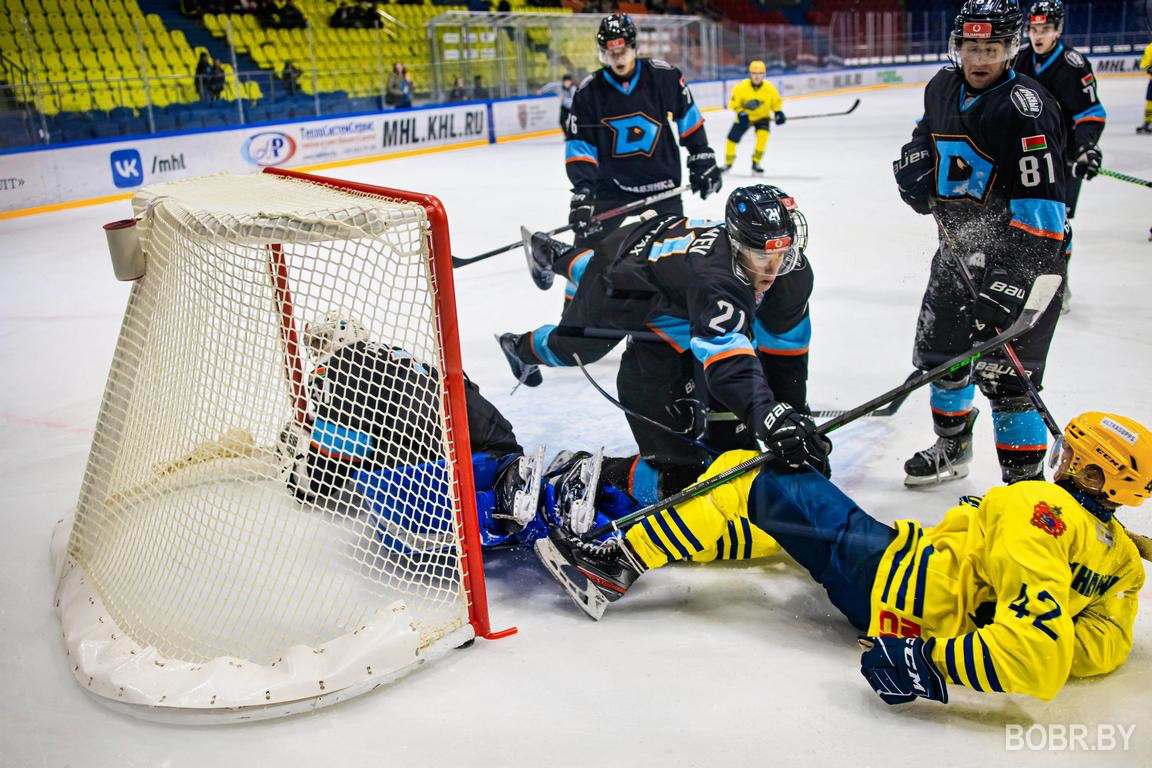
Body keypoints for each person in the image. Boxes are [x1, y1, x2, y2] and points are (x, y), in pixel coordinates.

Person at [536, 410, 1152, 705]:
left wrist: (928, 659)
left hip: (895, 581)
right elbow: (1094, 649)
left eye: (1076, 457)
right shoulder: (1123, 561)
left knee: (753, 473)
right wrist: (977, 616)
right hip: (916, 595)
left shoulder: (1038, 506)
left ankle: (614, 563)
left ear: (1099, 476)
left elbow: (1036, 657)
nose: (1061, 459)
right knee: (780, 524)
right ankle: (688, 540)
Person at [499, 185, 828, 501]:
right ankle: (521, 347)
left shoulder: (792, 272)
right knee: (574, 347)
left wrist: (792, 414)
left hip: (663, 258)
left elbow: (785, 347)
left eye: (781, 255)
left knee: (615, 265)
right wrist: (768, 416)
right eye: (761, 258)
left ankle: (558, 254)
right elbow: (729, 362)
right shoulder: (715, 279)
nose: (773, 270)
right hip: (630, 286)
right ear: (739, 245)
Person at [892, 0, 1067, 487]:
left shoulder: (1026, 109)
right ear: (958, 46)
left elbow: (1046, 215)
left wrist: (1010, 283)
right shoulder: (941, 86)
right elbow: (924, 138)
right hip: (957, 249)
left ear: (1011, 48)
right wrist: (915, 168)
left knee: (1007, 377)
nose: (980, 59)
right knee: (942, 359)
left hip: (1027, 259)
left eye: (992, 48)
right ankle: (952, 448)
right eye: (972, 47)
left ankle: (1024, 484)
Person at [279, 314, 548, 551]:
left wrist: (298, 477)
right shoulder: (398, 357)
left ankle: (488, 506)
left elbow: (334, 461)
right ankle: (518, 494)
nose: (316, 352)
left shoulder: (336, 368)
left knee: (370, 465)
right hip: (500, 446)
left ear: (340, 337)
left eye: (320, 341)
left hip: (441, 475)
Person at [562, 13, 722, 249]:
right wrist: (583, 192)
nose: (617, 59)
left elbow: (688, 117)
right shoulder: (589, 92)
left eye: (622, 51)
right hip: (612, 189)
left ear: (634, 46)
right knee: (586, 255)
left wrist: (701, 156)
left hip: (662, 186)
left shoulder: (663, 76)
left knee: (673, 257)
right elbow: (580, 145)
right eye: (610, 53)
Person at [1013, 0, 1106, 313]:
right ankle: (1019, 285)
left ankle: (1056, 285)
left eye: (1046, 29)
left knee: (1056, 228)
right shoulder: (1019, 60)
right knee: (1017, 224)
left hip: (1061, 165)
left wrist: (1086, 147)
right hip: (1024, 160)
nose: (1039, 36)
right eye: (1034, 29)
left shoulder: (1072, 64)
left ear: (1059, 30)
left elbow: (1090, 112)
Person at [724, 60, 785, 174]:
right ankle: (728, 163)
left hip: (762, 119)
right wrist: (741, 112)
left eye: (760, 73)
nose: (757, 76)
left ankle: (756, 163)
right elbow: (734, 104)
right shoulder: (741, 87)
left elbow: (776, 103)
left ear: (764, 74)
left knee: (763, 138)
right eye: (754, 73)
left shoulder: (769, 88)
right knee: (731, 140)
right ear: (750, 74)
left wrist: (778, 113)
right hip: (744, 118)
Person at [1138, 39, 1152, 134]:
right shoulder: (1150, 48)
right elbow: (1144, 64)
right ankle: (1147, 122)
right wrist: (1149, 68)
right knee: (1150, 102)